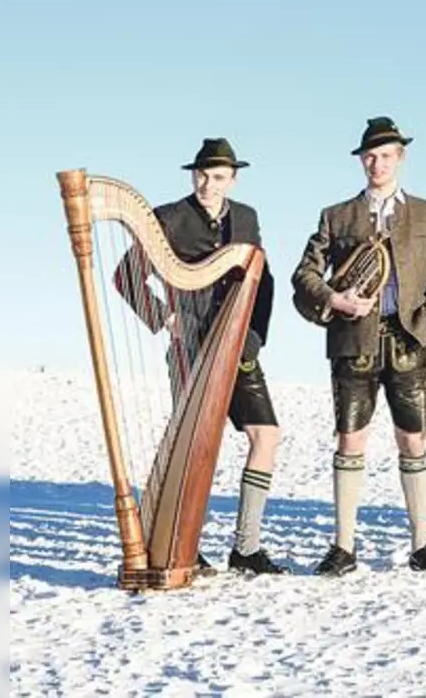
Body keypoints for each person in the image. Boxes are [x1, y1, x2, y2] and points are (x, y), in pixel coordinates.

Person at [291, 117, 426, 574]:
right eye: (370, 156)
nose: (377, 163)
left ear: (400, 158)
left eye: (386, 155)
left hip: (407, 341)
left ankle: (422, 545)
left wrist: (425, 322)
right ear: (361, 161)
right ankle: (343, 546)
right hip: (353, 341)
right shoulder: (336, 215)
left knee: (413, 439)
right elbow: (304, 274)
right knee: (351, 439)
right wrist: (334, 298)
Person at [113, 137, 284, 575]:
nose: (208, 184)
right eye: (202, 175)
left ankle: (246, 547)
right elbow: (126, 276)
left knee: (266, 435)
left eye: (219, 177)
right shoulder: (169, 218)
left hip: (236, 344)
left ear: (234, 179)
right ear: (193, 175)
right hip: (189, 346)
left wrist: (252, 340)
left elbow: (262, 280)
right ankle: (184, 542)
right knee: (194, 447)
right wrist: (163, 318)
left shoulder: (246, 218)